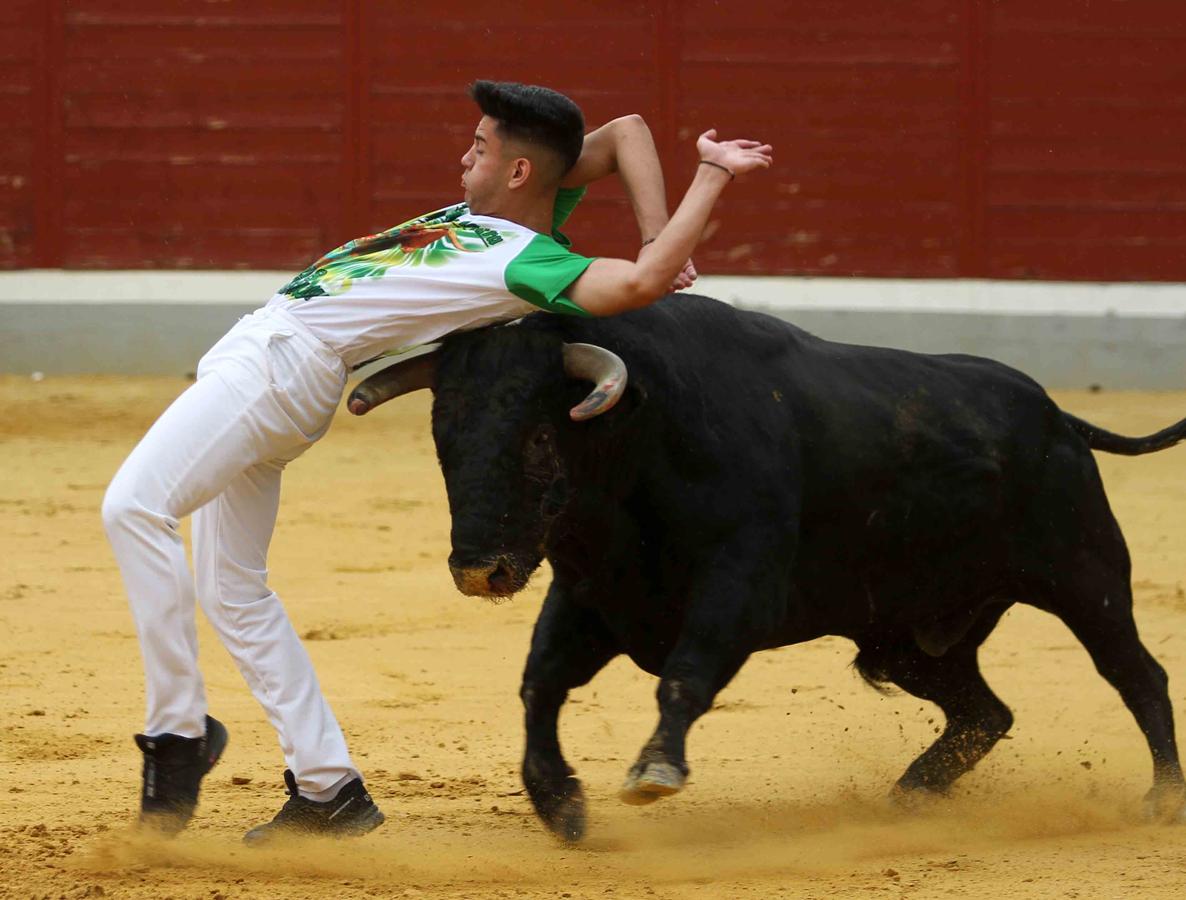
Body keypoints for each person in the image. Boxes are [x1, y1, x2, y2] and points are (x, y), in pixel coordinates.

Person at [101, 80, 772, 845]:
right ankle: (329, 789)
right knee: (232, 590)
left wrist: (709, 178)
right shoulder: (511, 213)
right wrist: (656, 229)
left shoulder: (526, 260)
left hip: (283, 364)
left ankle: (176, 737)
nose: (464, 155)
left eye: (480, 148)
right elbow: (626, 131)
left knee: (133, 509)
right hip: (271, 361)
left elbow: (645, 283)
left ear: (517, 173)